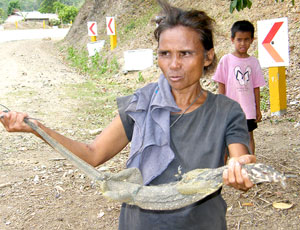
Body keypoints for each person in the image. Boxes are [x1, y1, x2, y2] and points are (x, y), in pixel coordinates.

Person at [0, 1, 256, 229]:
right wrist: (37, 128)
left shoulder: (226, 110)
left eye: (186, 53)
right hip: (140, 223)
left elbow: (239, 160)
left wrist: (241, 172)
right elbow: (93, 153)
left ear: (208, 56)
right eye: (165, 54)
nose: (174, 64)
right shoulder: (142, 103)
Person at [212, 20, 266, 155]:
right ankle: (224, 168)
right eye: (239, 40)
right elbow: (221, 84)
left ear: (252, 40)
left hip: (248, 109)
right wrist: (221, 106)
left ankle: (250, 166)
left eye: (247, 39)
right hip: (229, 108)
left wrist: (257, 109)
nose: (243, 43)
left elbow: (256, 87)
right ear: (232, 39)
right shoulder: (226, 60)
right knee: (226, 137)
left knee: (248, 136)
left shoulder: (253, 62)